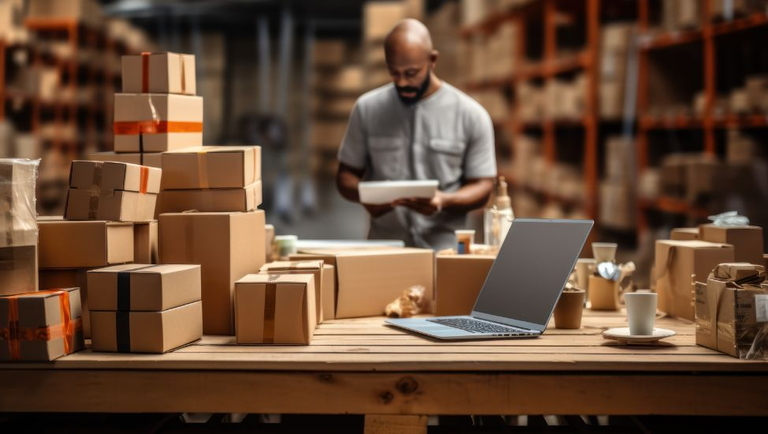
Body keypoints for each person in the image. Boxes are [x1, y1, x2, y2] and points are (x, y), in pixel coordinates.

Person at [336, 19, 497, 250]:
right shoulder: (367, 109)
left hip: (446, 251)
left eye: (411, 73)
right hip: (384, 249)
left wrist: (443, 200)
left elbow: (483, 186)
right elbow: (345, 176)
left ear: (432, 60)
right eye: (394, 73)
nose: (402, 82)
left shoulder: (471, 115)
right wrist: (364, 196)